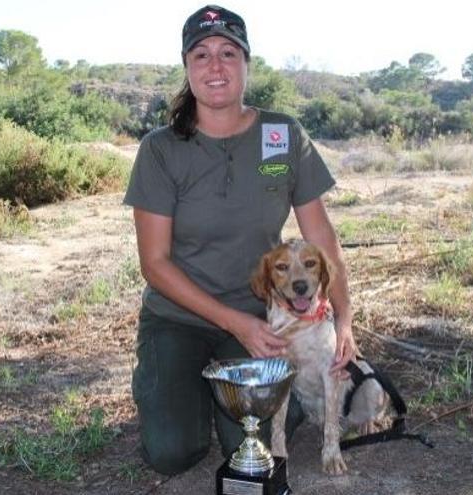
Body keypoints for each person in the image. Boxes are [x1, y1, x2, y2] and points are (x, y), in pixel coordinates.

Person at [123, 4, 357, 475]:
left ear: (247, 64)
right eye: (202, 55)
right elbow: (155, 263)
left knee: (245, 443)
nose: (216, 66)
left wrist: (345, 319)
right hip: (179, 318)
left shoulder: (282, 134)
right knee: (172, 452)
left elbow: (321, 237)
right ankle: (174, 387)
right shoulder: (160, 149)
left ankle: (251, 402)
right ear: (187, 69)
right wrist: (234, 324)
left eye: (229, 52)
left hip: (259, 319)